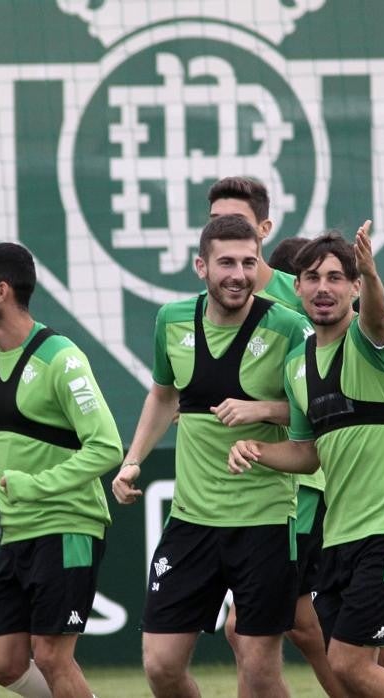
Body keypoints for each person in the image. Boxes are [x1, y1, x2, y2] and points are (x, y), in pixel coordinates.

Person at [211, 178, 384, 698]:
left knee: (351, 660)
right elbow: (306, 452)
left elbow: (381, 326)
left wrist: (370, 273)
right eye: (312, 279)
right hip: (342, 529)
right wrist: (257, 450)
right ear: (294, 288)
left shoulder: (372, 341)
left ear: (354, 289)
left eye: (337, 278)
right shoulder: (298, 361)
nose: (324, 287)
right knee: (355, 655)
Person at [109, 214, 312, 697]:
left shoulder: (288, 327)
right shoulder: (171, 320)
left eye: (248, 262)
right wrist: (132, 458)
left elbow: (318, 408)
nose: (238, 273)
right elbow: (162, 394)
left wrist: (261, 408)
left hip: (263, 521)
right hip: (192, 521)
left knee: (259, 670)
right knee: (160, 666)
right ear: (201, 266)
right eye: (226, 263)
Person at [0, 242, 123, 698]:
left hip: (69, 526)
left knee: (51, 656)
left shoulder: (61, 358)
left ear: (3, 291)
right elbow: (4, 446)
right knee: (4, 662)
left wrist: (38, 486)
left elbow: (107, 446)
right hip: (17, 531)